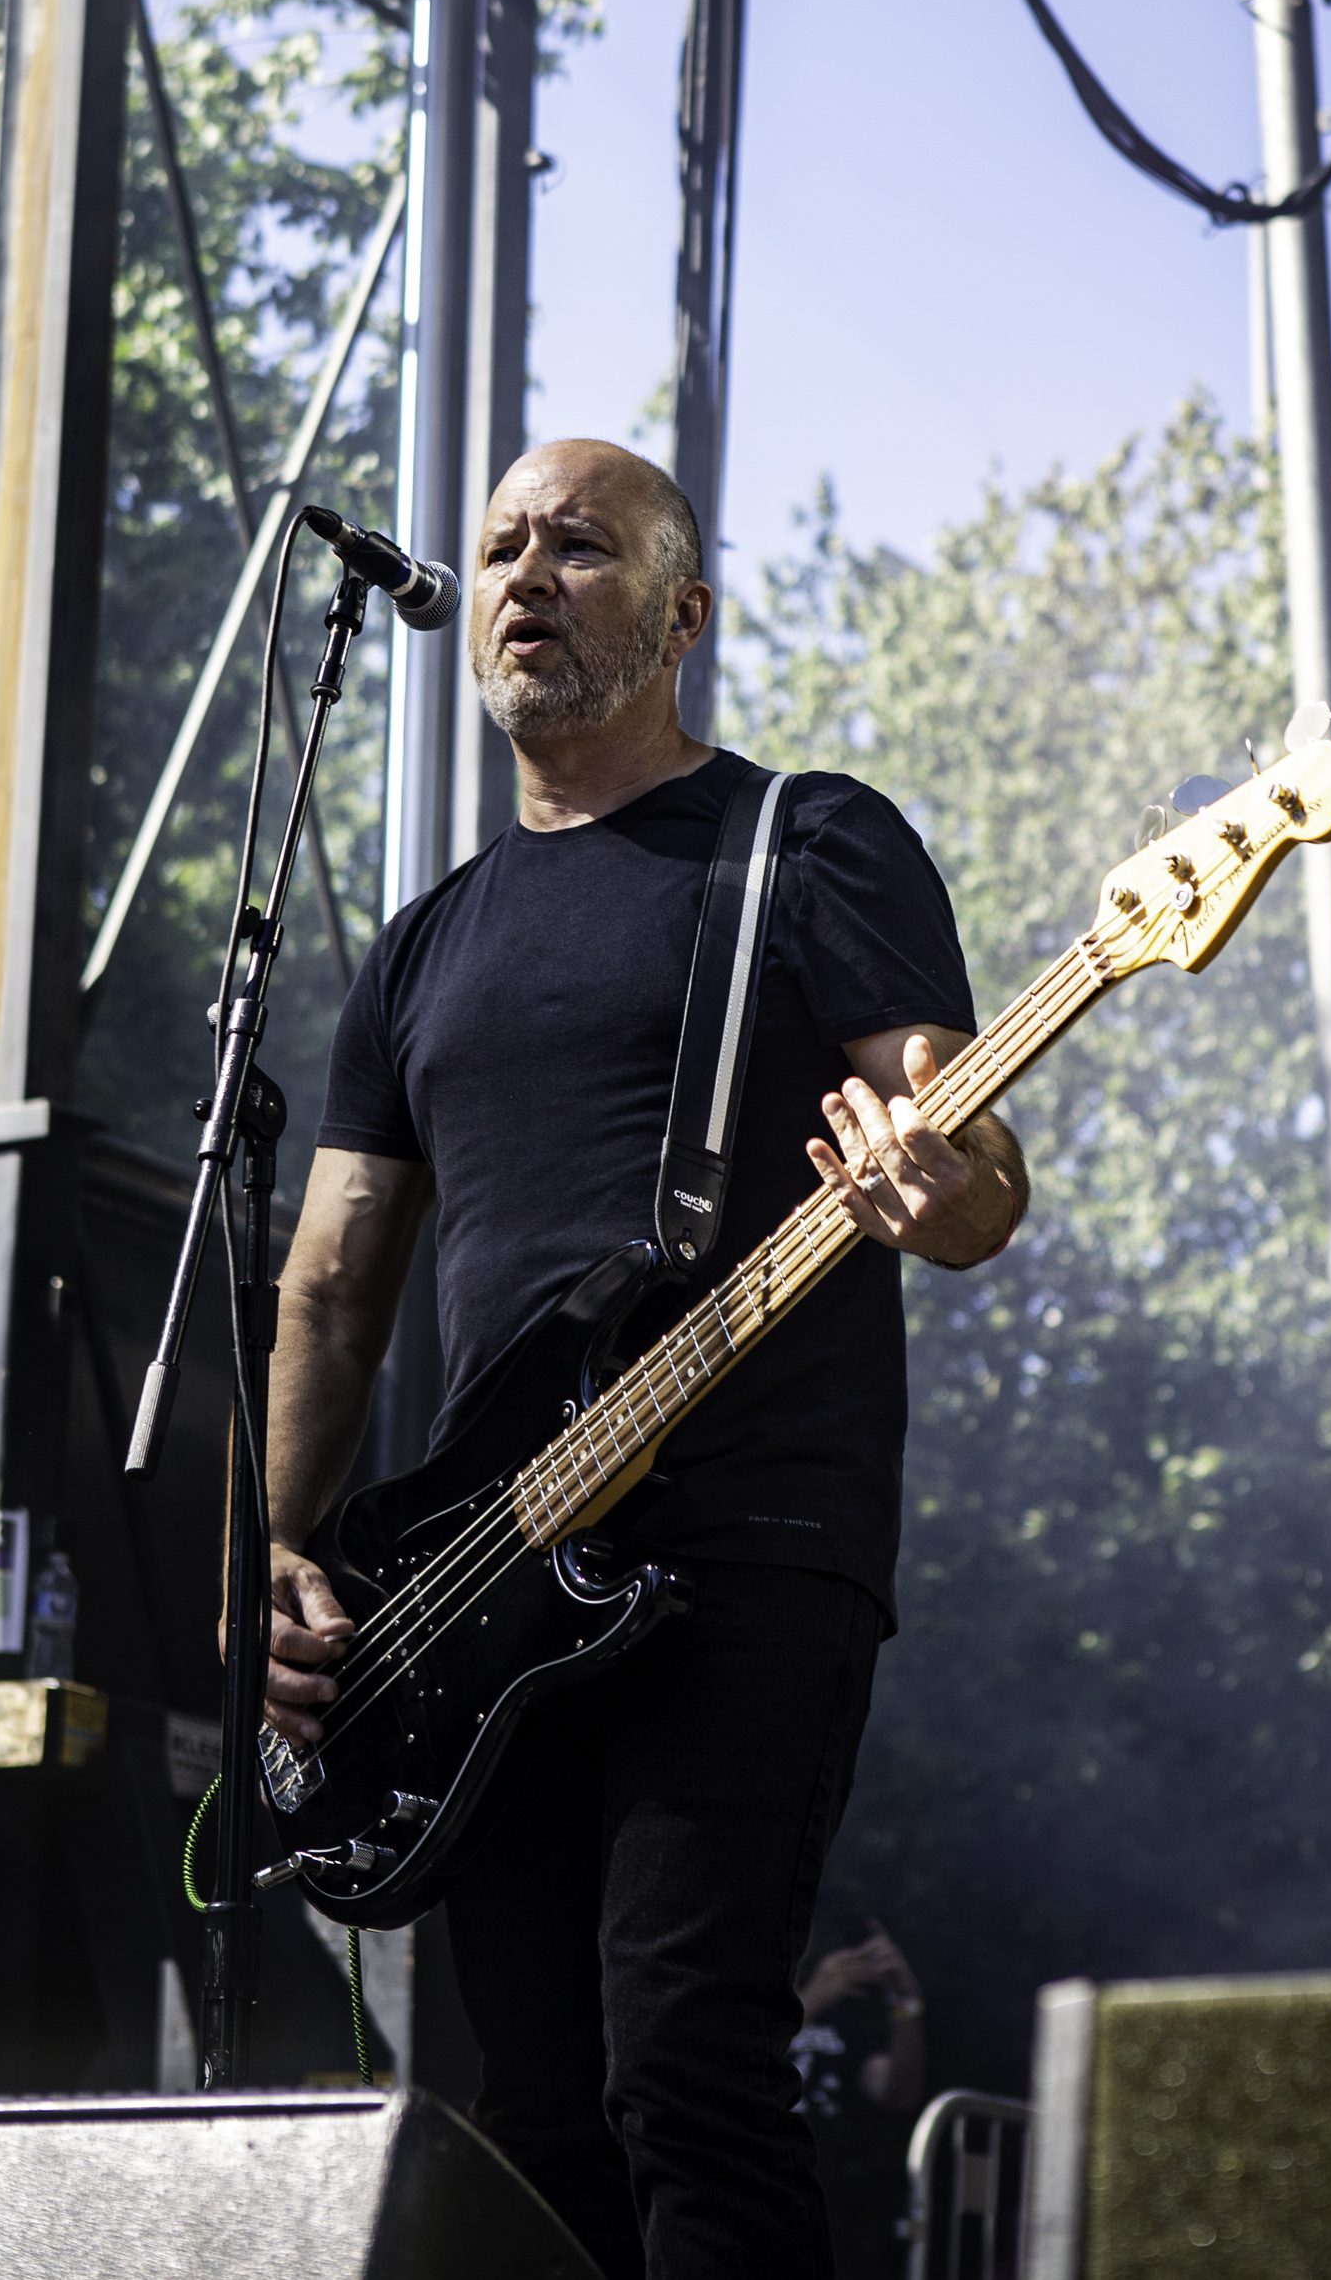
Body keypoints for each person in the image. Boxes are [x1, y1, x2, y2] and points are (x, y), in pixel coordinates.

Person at [254, 437, 1026, 2280]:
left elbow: (971, 1156)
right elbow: (332, 1291)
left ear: (683, 617)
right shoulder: (419, 950)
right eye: (502, 546)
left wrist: (946, 1188)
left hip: (747, 1536)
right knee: (535, 2115)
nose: (526, 574)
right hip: (484, 1585)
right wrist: (270, 1549)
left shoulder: (805, 844)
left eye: (581, 547)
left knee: (686, 2060)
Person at [793, 1919, 928, 2280]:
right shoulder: (751, 2014)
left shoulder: (845, 2027)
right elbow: (729, 2069)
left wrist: (905, 2001)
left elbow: (898, 2092)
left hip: (830, 2198)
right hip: (756, 2185)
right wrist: (811, 2000)